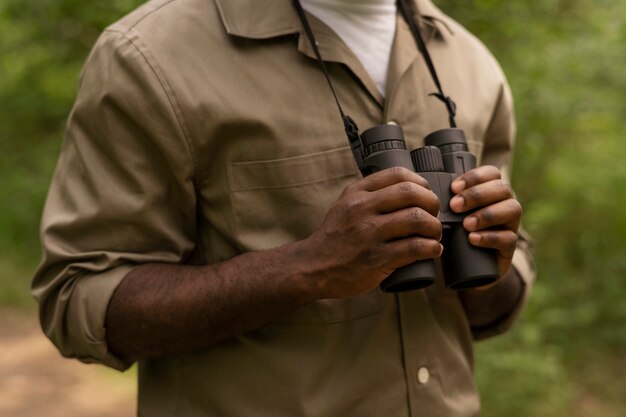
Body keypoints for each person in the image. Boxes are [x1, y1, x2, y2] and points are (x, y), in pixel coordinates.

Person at [32, 0, 535, 415]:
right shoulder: (149, 57)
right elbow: (78, 297)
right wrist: (307, 268)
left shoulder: (470, 64)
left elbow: (492, 306)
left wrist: (491, 264)